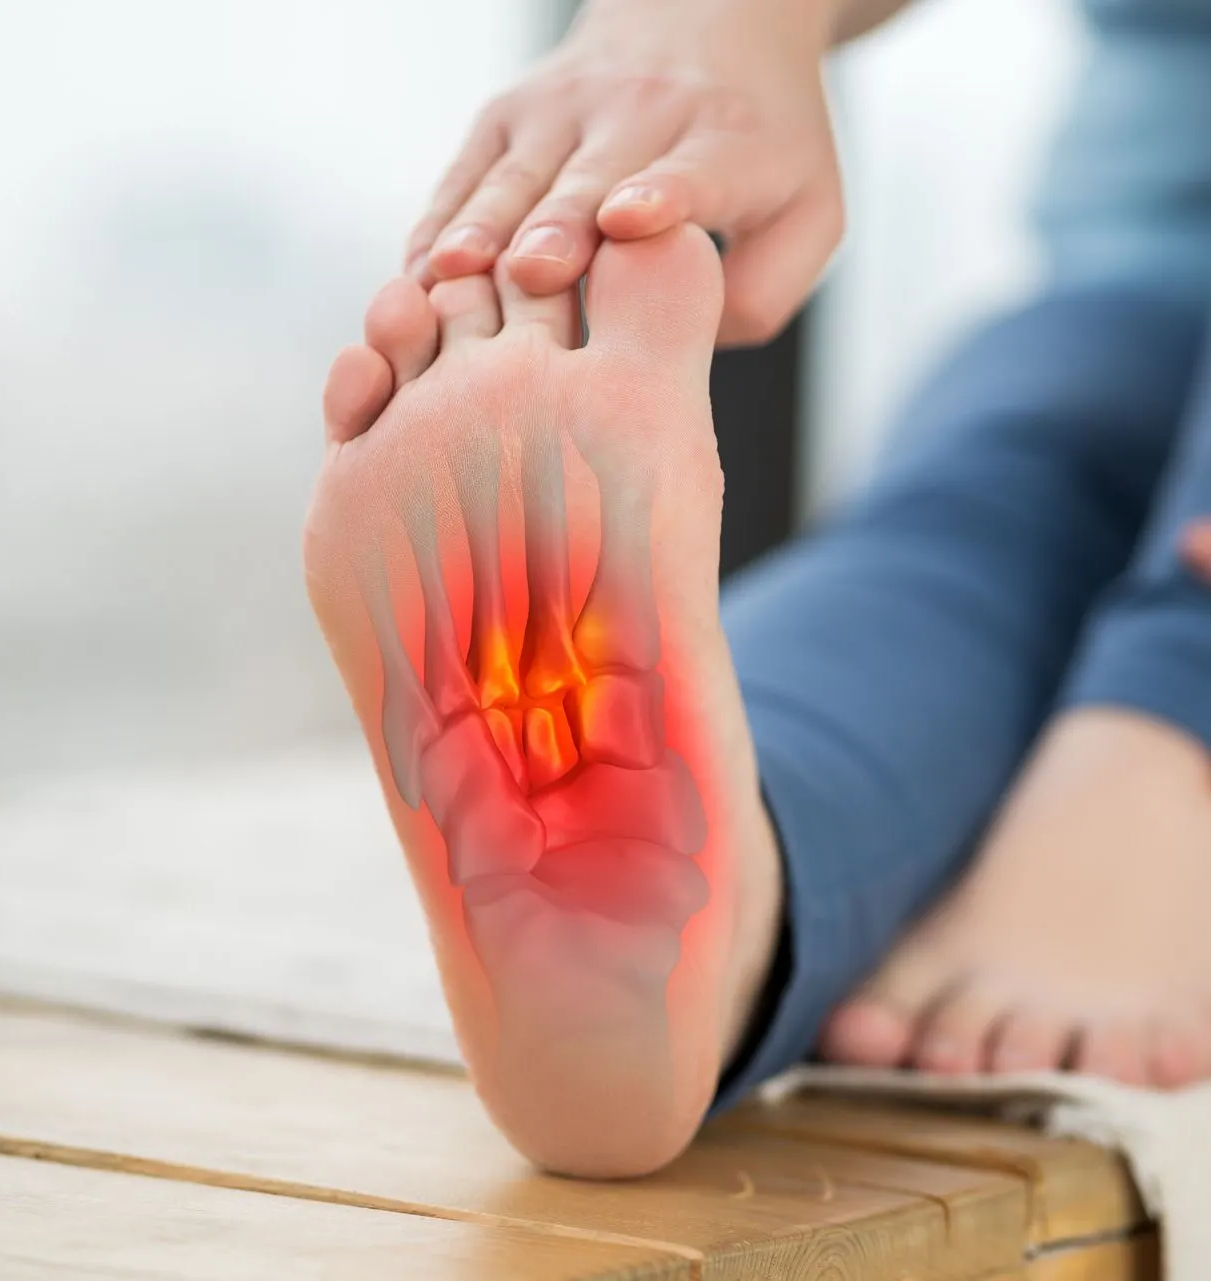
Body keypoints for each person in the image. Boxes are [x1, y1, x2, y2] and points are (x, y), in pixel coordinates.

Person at [304, 0, 1211, 1178]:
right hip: (1143, 291)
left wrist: (1168, 692)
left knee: (968, 519)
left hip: (1132, 256)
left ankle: (1121, 765)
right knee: (999, 489)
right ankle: (727, 895)